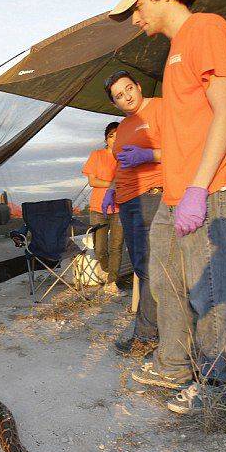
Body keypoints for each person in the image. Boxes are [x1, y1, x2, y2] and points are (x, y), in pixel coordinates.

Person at [109, 0, 226, 414]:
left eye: (136, 8)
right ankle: (174, 363)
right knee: (164, 279)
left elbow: (225, 113)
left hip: (204, 187)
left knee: (207, 283)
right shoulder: (173, 50)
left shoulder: (205, 28)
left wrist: (197, 188)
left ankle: (218, 380)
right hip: (174, 191)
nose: (135, 19)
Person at [101, 70, 163, 358]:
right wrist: (112, 188)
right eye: (119, 97)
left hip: (151, 196)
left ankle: (147, 336)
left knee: (150, 268)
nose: (126, 97)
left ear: (138, 87)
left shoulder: (160, 107)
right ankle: (152, 331)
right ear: (115, 104)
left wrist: (149, 156)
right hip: (127, 201)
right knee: (140, 267)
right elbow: (121, 164)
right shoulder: (125, 125)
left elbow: (185, 146)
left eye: (129, 89)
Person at [82, 123, 125, 296]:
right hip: (98, 208)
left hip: (120, 208)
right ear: (106, 138)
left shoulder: (124, 158)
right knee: (100, 248)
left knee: (117, 246)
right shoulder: (97, 155)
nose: (115, 139)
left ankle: (113, 282)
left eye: (119, 135)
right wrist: (113, 185)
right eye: (112, 136)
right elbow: (93, 182)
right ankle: (108, 272)